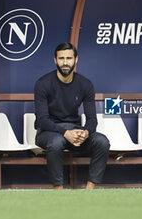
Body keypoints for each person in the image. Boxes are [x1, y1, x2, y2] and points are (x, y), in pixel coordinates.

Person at [34, 42, 110, 190]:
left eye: (69, 58)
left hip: (74, 131)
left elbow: (92, 119)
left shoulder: (85, 84)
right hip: (48, 133)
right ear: (55, 60)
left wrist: (86, 133)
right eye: (61, 58)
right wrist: (65, 133)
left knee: (102, 141)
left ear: (76, 60)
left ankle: (90, 190)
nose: (65, 62)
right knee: (56, 143)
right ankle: (59, 191)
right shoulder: (43, 84)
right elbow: (42, 120)